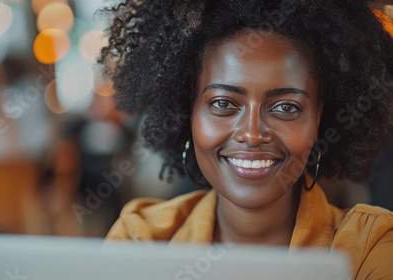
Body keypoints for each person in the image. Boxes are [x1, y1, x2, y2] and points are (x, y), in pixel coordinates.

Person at [98, 0, 393, 279]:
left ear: (318, 118)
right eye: (223, 104)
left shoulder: (369, 248)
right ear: (187, 112)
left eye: (286, 107)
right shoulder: (142, 239)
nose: (252, 134)